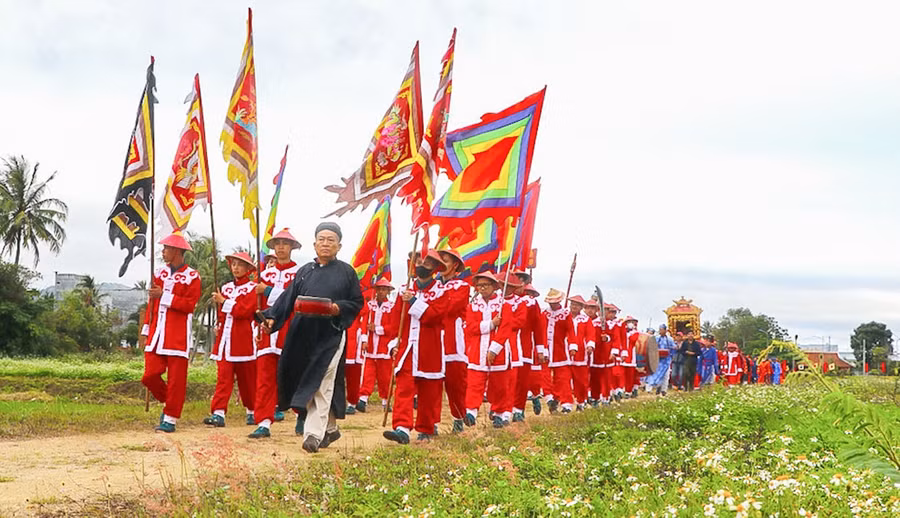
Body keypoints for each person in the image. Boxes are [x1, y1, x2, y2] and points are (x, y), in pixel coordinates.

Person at [260, 222, 363, 453]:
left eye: (331, 240)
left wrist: (338, 308)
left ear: (339, 246)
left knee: (322, 382)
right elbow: (287, 299)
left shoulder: (347, 272)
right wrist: (271, 319)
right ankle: (330, 429)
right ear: (315, 244)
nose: (326, 244)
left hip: (331, 334)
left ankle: (312, 435)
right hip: (302, 335)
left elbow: (357, 303)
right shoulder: (304, 271)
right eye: (322, 239)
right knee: (304, 379)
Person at [383, 250, 449, 444]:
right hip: (407, 349)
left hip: (430, 348)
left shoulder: (442, 291)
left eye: (426, 263)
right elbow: (396, 319)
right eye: (418, 261)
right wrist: (393, 343)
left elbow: (434, 316)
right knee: (403, 387)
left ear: (435, 268)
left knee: (429, 390)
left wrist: (413, 301)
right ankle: (402, 428)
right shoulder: (404, 289)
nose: (421, 265)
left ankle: (426, 428)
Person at [140, 231, 202, 433]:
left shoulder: (193, 276)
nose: (163, 252)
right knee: (149, 375)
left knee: (177, 380)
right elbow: (152, 302)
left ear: (177, 251)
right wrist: (146, 326)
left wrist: (164, 295)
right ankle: (171, 403)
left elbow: (189, 305)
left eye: (166, 248)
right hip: (157, 332)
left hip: (178, 335)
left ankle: (171, 417)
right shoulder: (159, 272)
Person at [249, 228, 301, 439]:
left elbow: (296, 300)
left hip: (291, 330)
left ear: (292, 248)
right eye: (277, 243)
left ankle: (302, 414)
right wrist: (256, 326)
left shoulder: (301, 273)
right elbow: (256, 305)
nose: (280, 247)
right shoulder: (264, 274)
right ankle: (263, 421)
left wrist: (268, 291)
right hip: (266, 332)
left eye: (285, 243)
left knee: (295, 375)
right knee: (264, 378)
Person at [204, 252, 258, 428]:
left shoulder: (252, 288)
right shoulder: (226, 287)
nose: (236, 268)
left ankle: (252, 410)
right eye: (233, 264)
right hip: (225, 340)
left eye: (240, 265)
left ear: (248, 269)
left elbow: (244, 311)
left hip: (243, 340)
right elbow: (223, 313)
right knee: (223, 377)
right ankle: (218, 412)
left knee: (247, 380)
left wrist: (224, 302)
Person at [463, 272, 516, 428]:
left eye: (486, 285)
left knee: (499, 385)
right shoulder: (473, 306)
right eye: (480, 285)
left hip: (499, 351)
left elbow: (506, 328)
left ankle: (499, 413)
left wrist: (494, 349)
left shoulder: (503, 305)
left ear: (494, 286)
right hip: (477, 350)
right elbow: (470, 328)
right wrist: (491, 324)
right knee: (474, 382)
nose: (483, 288)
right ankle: (471, 412)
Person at [436, 249, 470, 433]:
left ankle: (458, 416)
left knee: (455, 382)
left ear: (455, 265)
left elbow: (449, 307)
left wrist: (430, 304)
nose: (441, 263)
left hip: (453, 341)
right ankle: (431, 422)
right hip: (432, 339)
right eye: (439, 260)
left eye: (445, 260)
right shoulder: (432, 286)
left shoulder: (462, 287)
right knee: (431, 383)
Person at [357, 278, 400, 412]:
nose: (381, 292)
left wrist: (377, 328)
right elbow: (364, 324)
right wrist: (364, 340)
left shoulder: (392, 307)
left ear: (388, 291)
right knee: (368, 374)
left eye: (384, 289)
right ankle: (363, 399)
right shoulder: (370, 306)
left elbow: (394, 327)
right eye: (379, 289)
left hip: (384, 347)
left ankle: (386, 401)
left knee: (385, 377)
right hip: (370, 346)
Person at [542, 288, 576, 413]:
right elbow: (540, 331)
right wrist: (541, 347)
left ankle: (566, 403)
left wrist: (573, 346)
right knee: (544, 376)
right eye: (551, 302)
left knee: (563, 378)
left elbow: (571, 331)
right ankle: (549, 398)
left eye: (555, 302)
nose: (553, 304)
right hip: (545, 348)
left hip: (560, 348)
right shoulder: (544, 314)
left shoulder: (566, 314)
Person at [517, 281, 547, 417]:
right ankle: (501, 410)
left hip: (527, 347)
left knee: (529, 381)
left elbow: (539, 329)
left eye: (532, 294)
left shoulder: (531, 304)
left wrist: (541, 350)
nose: (530, 296)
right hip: (505, 347)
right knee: (507, 380)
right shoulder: (502, 300)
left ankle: (519, 409)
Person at [567, 296, 593, 411]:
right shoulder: (563, 316)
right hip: (564, 351)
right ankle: (565, 403)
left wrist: (590, 345)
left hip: (581, 353)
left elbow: (590, 334)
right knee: (565, 379)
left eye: (577, 305)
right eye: (572, 304)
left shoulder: (585, 320)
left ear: (581, 307)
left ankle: (581, 401)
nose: (574, 306)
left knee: (581, 381)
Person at [343, 310, 367, 415]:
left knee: (353, 375)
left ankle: (352, 402)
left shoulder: (360, 298)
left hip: (354, 340)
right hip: (339, 335)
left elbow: (365, 317)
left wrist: (364, 339)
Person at [645, 323, 675, 395]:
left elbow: (673, 347)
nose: (660, 331)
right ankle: (649, 389)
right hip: (657, 359)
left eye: (662, 329)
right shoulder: (656, 338)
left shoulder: (670, 339)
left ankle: (664, 390)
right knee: (653, 373)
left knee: (666, 375)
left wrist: (672, 351)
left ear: (665, 330)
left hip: (666, 360)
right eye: (660, 329)